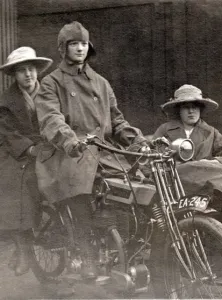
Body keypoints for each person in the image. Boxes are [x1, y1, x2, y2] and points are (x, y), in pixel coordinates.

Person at [34, 21, 148, 280]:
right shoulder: (51, 82)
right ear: (63, 48)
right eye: (74, 44)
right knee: (82, 195)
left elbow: (117, 120)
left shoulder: (101, 83)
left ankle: (126, 247)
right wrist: (69, 140)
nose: (80, 49)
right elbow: (51, 118)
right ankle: (86, 254)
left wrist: (136, 140)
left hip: (103, 151)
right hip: (66, 153)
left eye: (83, 44)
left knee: (134, 187)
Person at [0, 47, 52, 276]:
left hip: (48, 146)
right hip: (16, 151)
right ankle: (22, 248)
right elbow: (7, 133)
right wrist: (29, 148)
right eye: (22, 71)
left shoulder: (50, 93)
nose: (28, 75)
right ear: (14, 75)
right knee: (20, 189)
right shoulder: (6, 101)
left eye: (31, 69)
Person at [153, 84, 222, 167]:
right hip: (174, 178)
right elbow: (149, 157)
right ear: (179, 110)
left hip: (203, 178)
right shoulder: (165, 130)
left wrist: (216, 161)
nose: (191, 111)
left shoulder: (211, 132)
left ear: (200, 109)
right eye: (186, 107)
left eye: (195, 107)